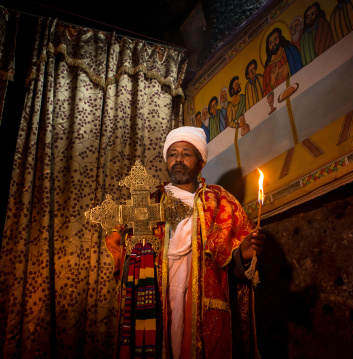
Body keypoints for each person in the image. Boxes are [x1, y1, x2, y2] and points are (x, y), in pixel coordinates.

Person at [107, 127, 266, 359]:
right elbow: (127, 263)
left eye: (186, 153)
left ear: (201, 163)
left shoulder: (220, 200)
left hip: (202, 299)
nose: (178, 159)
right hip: (156, 295)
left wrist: (243, 253)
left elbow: (236, 265)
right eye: (172, 154)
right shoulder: (149, 204)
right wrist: (125, 248)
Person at [262, 27, 303, 96]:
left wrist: (289, 67)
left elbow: (301, 67)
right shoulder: (267, 69)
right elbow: (265, 97)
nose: (273, 44)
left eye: (275, 39)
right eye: (270, 43)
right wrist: (272, 81)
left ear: (280, 38)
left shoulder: (290, 51)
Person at [299, 2, 335, 66]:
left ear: (318, 13)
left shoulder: (323, 25)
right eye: (307, 17)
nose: (310, 18)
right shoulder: (304, 38)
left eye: (312, 14)